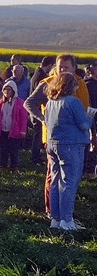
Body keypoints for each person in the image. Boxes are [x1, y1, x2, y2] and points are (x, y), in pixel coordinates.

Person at [25, 53, 90, 217]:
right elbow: (29, 103)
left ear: (74, 68)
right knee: (56, 177)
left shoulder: (80, 84)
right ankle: (54, 213)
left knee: (63, 177)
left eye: (66, 67)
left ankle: (59, 214)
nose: (62, 70)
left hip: (75, 137)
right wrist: (43, 119)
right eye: (60, 66)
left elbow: (85, 106)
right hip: (54, 137)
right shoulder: (48, 84)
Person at [44, 73, 95, 231]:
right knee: (69, 182)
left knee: (55, 181)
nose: (77, 87)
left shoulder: (51, 102)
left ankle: (56, 219)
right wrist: (90, 116)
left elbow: (46, 120)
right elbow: (84, 124)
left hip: (53, 144)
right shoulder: (73, 102)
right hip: (71, 144)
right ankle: (67, 220)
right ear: (68, 86)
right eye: (75, 84)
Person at [0, 80, 28, 173]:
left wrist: (23, 130)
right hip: (2, 130)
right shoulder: (0, 102)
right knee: (3, 149)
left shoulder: (20, 103)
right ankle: (3, 166)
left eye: (9, 90)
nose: (7, 92)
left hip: (14, 131)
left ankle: (14, 167)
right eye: (5, 90)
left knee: (13, 150)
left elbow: (23, 118)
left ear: (13, 91)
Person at [29, 56, 55, 165]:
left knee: (38, 134)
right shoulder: (42, 77)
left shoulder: (36, 73)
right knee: (38, 135)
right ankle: (35, 158)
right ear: (50, 65)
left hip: (36, 110)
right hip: (39, 111)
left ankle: (36, 156)